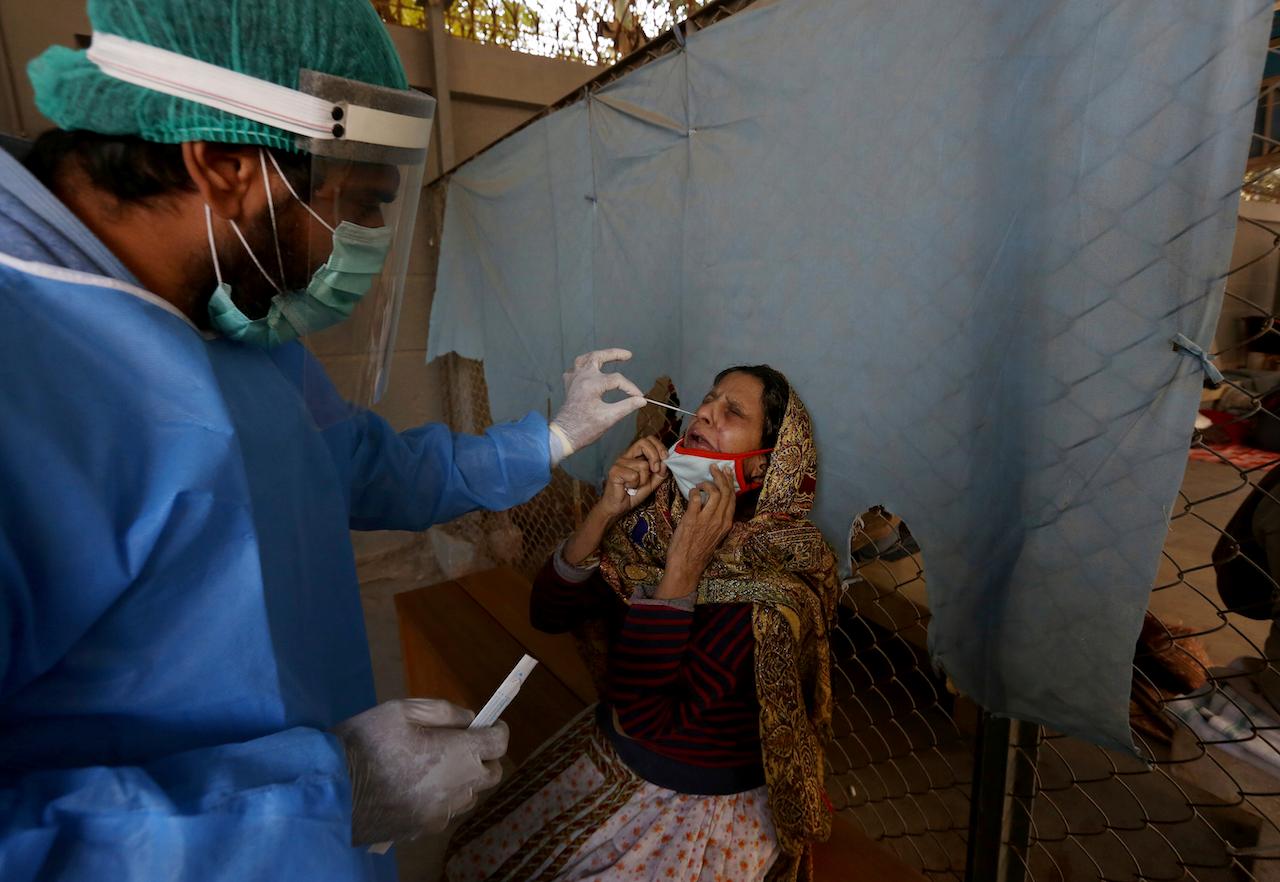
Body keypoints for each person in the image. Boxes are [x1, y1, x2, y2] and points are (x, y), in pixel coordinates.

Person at [0, 2, 645, 879]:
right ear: (225, 163)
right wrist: (321, 792)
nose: (365, 245)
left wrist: (549, 440)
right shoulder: (27, 379)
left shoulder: (230, 313)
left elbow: (348, 464)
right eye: (359, 206)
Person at [444, 366, 840, 882]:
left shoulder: (778, 585)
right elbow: (547, 613)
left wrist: (683, 569)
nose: (704, 413)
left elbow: (645, 717)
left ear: (767, 464)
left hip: (692, 807)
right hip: (612, 754)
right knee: (471, 860)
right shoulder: (655, 517)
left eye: (733, 412)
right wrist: (605, 512)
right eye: (708, 399)